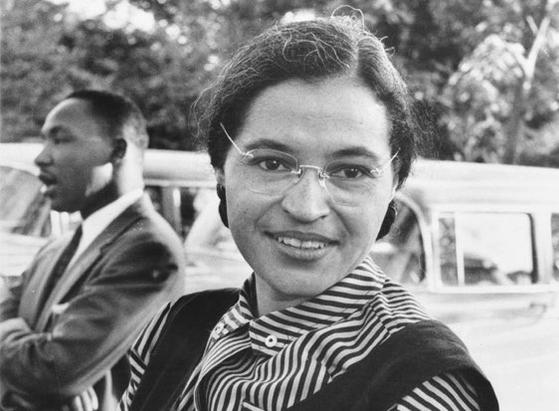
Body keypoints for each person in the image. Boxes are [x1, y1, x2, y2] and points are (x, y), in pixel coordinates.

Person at [119, 15, 499, 411]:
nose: (305, 207)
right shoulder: (175, 329)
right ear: (220, 169)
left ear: (395, 183)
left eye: (351, 172)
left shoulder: (419, 387)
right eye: (271, 163)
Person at [0, 90, 185, 410]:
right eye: (45, 141)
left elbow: (52, 372)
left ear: (117, 150)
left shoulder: (149, 251)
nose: (42, 157)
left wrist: (22, 340)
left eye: (60, 140)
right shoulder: (57, 246)